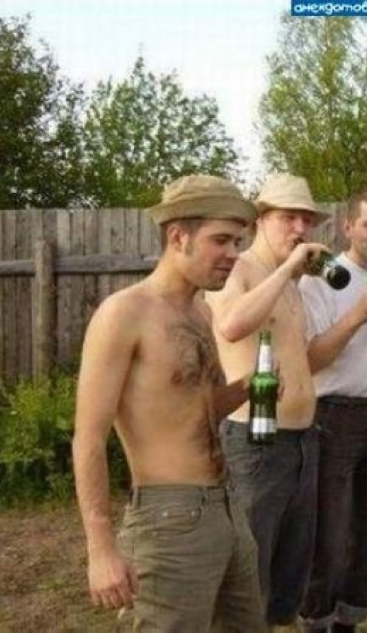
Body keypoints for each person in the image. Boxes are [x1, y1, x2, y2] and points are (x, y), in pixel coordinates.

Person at [72, 174, 267, 632]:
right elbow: (88, 438)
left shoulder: (201, 312)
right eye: (221, 240)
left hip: (226, 506)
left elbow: (201, 408)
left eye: (237, 242)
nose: (233, 253)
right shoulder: (125, 313)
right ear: (178, 237)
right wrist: (100, 548)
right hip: (168, 519)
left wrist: (250, 386)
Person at [206, 173, 332, 630]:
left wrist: (357, 317)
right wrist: (287, 270)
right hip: (255, 443)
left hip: (302, 443)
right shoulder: (238, 269)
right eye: (288, 217)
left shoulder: (292, 285)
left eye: (307, 220)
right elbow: (231, 326)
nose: (300, 228)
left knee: (287, 576)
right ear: (261, 219)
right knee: (248, 573)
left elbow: (305, 360)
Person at [298, 186, 367, 633]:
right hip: (334, 419)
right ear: (348, 227)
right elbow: (310, 360)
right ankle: (316, 622)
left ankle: (348, 623)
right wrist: (358, 312)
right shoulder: (321, 280)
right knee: (328, 542)